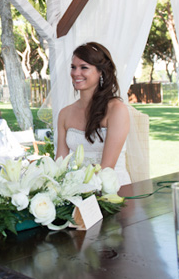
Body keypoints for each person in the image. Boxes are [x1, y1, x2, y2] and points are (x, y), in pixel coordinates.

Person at [56, 42, 131, 186]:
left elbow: (107, 168)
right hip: (75, 190)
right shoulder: (64, 114)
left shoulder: (116, 110)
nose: (76, 73)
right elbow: (60, 164)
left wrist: (78, 190)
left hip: (112, 189)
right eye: (73, 67)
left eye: (84, 67)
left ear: (101, 72)